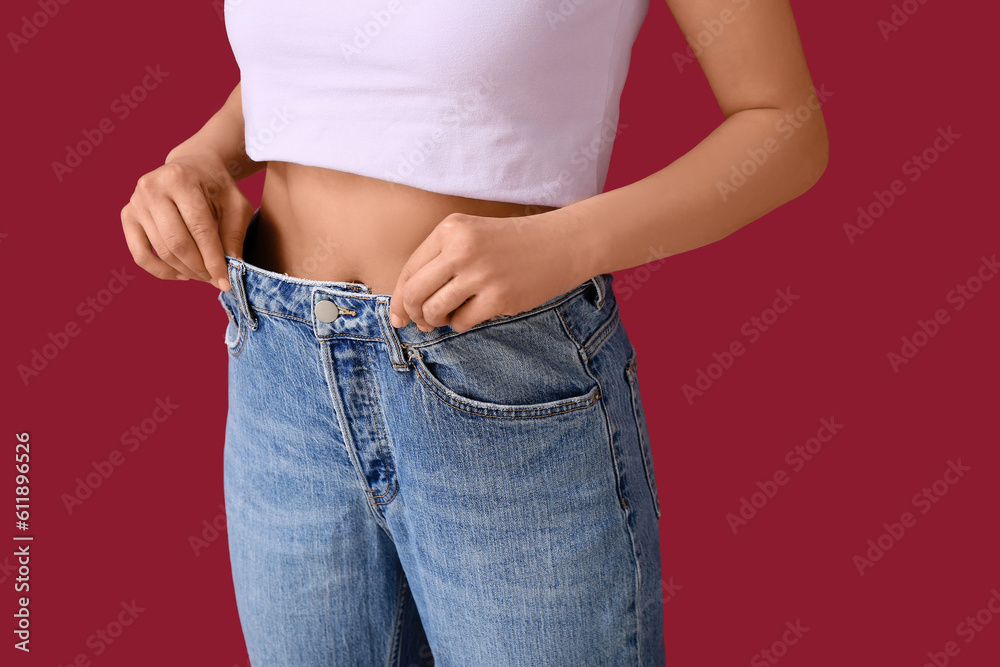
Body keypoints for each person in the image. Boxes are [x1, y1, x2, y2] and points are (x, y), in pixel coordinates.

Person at [120, 1, 828, 664]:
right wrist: (200, 158)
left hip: (501, 384)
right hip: (280, 371)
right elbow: (317, 74)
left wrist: (569, 243)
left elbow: (784, 126)